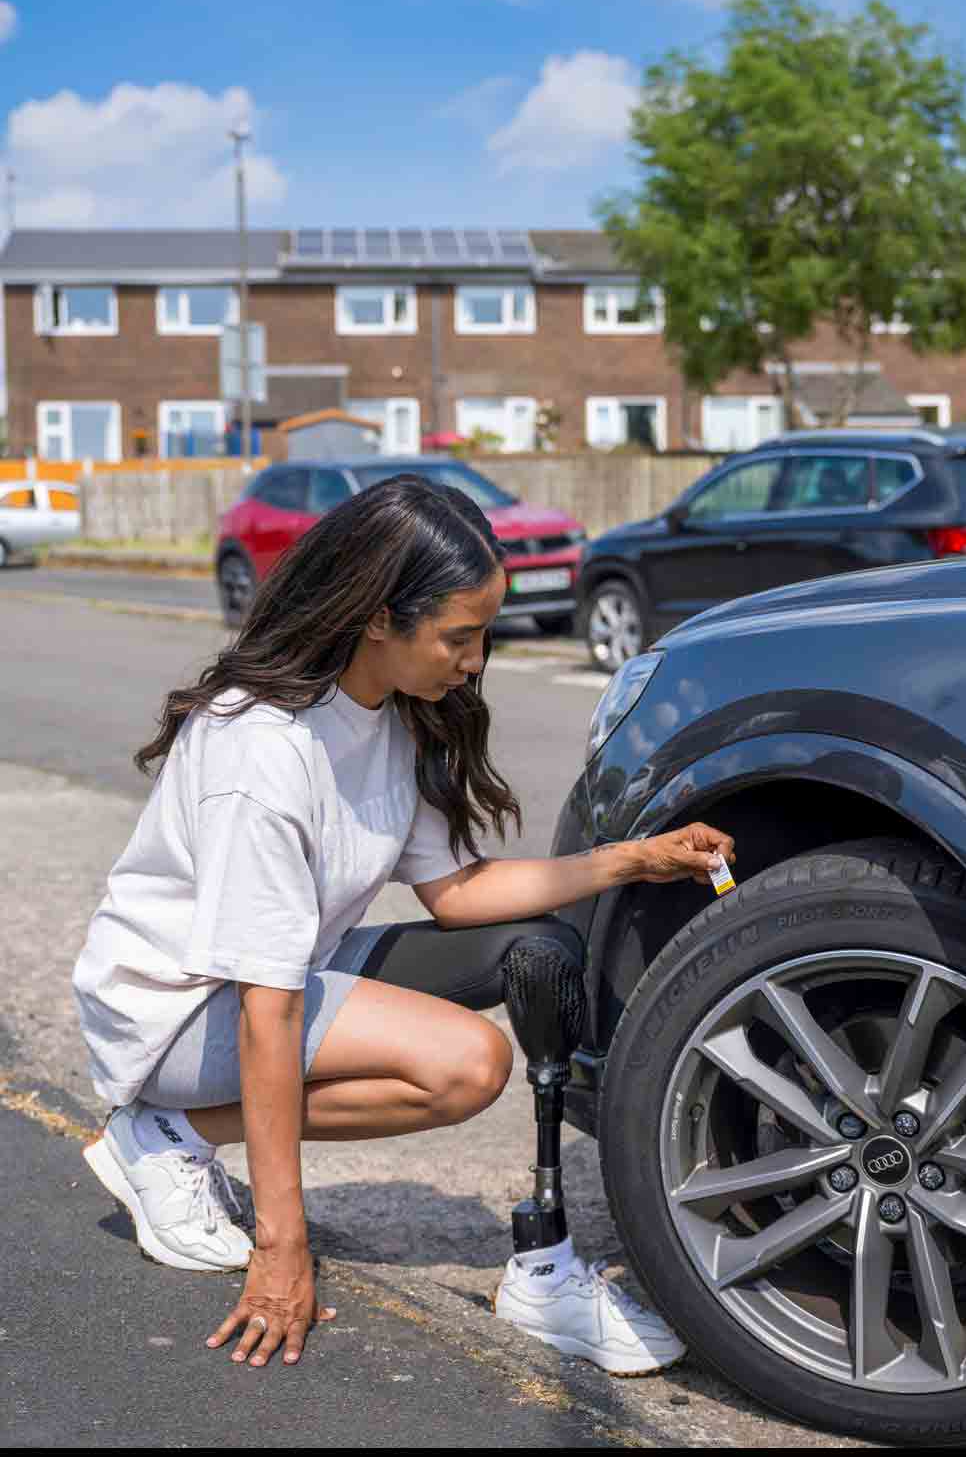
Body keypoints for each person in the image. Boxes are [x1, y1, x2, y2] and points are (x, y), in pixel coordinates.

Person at [73, 476, 735, 1374]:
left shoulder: (388, 718)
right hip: (175, 1009)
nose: (475, 660)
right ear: (380, 617)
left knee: (539, 946)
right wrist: (282, 1247)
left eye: (484, 635)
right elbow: (265, 1012)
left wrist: (632, 859)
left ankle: (178, 1133)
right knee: (468, 1063)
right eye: (460, 636)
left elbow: (457, 893)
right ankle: (171, 1122)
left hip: (273, 972)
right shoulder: (262, 752)